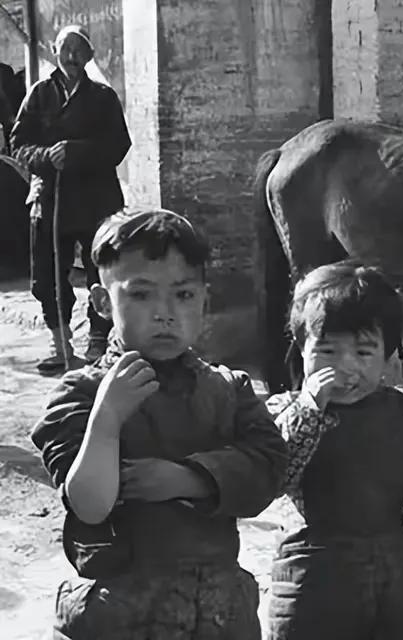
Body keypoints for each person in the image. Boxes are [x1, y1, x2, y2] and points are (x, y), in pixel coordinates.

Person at [29, 208, 288, 639]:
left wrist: (189, 478)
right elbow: (89, 506)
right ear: (100, 302)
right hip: (118, 613)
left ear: (205, 299)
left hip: (216, 614)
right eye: (141, 295)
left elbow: (270, 468)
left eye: (183, 296)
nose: (165, 313)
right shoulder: (82, 394)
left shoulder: (228, 389)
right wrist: (107, 420)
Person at [265, 260, 403, 640]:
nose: (345, 367)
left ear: (389, 356)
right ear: (301, 347)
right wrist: (311, 408)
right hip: (315, 589)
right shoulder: (283, 410)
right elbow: (271, 472)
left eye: (363, 353)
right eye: (327, 351)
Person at [10, 25, 131, 373]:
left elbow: (118, 145)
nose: (72, 58)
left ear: (89, 56)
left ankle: (99, 337)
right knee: (46, 274)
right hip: (50, 198)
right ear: (54, 50)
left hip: (96, 198)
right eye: (66, 50)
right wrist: (47, 157)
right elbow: (19, 144)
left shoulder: (103, 98)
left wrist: (76, 153)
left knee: (102, 268)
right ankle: (59, 341)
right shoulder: (39, 95)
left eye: (80, 51)